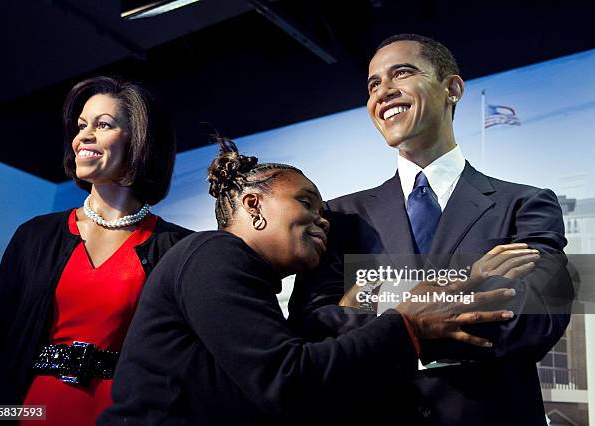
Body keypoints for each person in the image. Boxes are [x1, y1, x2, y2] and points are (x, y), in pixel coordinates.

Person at [99, 140, 537, 425]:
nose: (322, 220)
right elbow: (291, 380)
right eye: (306, 202)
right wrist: (409, 325)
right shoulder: (214, 253)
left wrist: (377, 295)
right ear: (253, 204)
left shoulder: (241, 278)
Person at [288, 34, 574, 425]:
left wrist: (371, 296)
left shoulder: (525, 204)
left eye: (401, 73)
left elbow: (536, 316)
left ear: (452, 88)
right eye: (373, 85)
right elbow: (313, 325)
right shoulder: (340, 217)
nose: (382, 92)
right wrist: (470, 283)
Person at [0, 76, 193, 425]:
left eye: (103, 124)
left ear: (140, 139)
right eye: (81, 126)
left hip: (120, 416)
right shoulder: (35, 236)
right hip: (28, 412)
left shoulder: (178, 249)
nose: (83, 136)